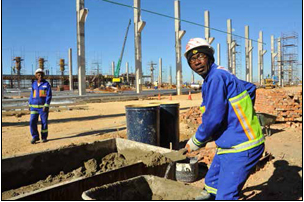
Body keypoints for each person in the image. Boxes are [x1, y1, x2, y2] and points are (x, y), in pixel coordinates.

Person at [183, 38, 265, 200]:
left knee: (225, 196)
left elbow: (213, 118)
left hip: (242, 146)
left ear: (209, 57)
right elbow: (250, 88)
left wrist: (196, 141)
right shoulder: (217, 75)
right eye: (192, 60)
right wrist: (236, 115)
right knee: (212, 182)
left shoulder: (216, 77)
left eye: (200, 57)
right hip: (229, 145)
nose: (197, 62)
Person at [29, 68, 52, 144]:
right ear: (36, 76)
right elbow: (32, 95)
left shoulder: (46, 84)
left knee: (44, 122)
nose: (40, 76)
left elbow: (49, 95)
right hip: (34, 107)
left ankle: (44, 137)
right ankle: (35, 137)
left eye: (41, 75)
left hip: (43, 108)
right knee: (32, 122)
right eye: (38, 75)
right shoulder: (34, 84)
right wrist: (30, 104)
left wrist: (46, 105)